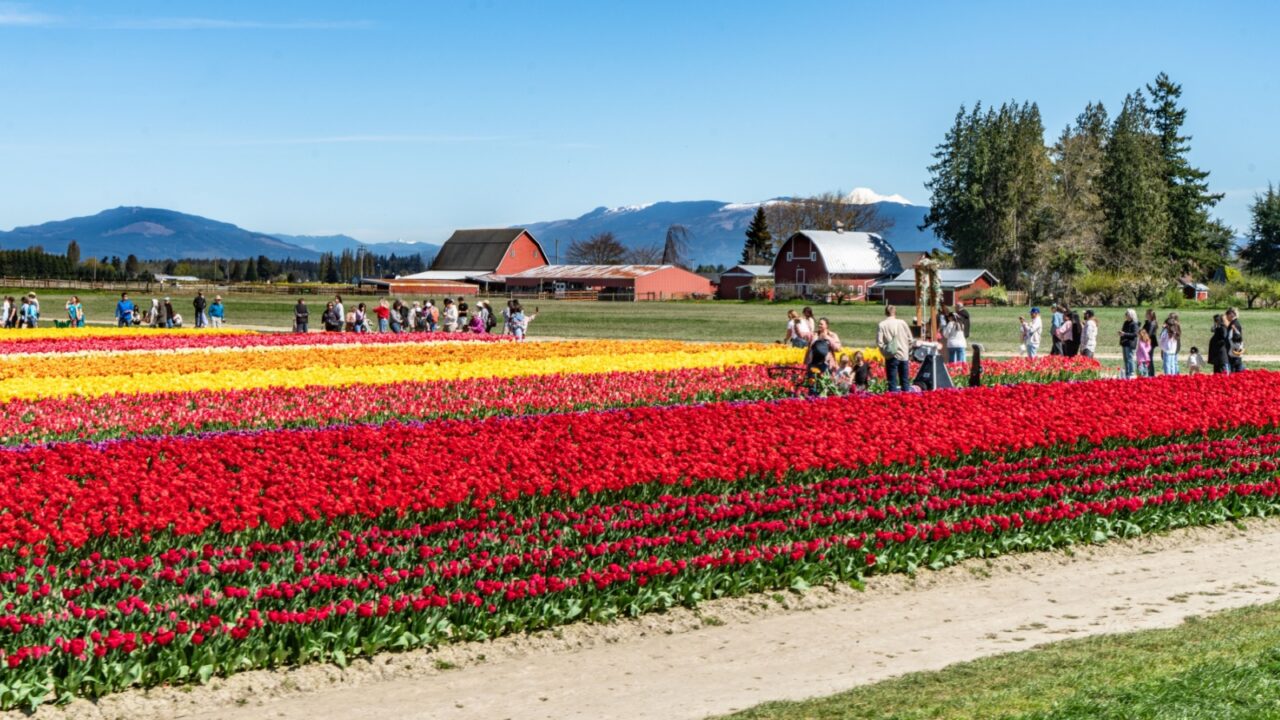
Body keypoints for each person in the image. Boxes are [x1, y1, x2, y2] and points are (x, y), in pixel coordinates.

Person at [877, 304, 913, 392]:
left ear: (885, 313)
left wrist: (885, 352)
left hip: (891, 355)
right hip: (904, 354)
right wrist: (907, 349)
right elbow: (910, 339)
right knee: (905, 380)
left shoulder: (882, 325)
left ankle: (893, 400)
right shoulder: (902, 322)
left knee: (892, 381)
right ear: (895, 312)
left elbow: (879, 342)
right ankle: (906, 400)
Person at [803, 318, 842, 382]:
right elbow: (808, 344)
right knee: (812, 382)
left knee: (824, 382)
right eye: (818, 324)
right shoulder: (814, 334)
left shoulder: (832, 335)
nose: (819, 325)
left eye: (821, 324)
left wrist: (827, 338)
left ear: (826, 325)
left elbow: (838, 348)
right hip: (813, 363)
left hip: (826, 364)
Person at [1119, 308, 1139, 378]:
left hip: (1130, 344)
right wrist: (1121, 334)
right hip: (1125, 343)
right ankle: (1127, 373)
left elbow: (1135, 334)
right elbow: (1124, 331)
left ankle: (1132, 373)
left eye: (1127, 314)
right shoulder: (1126, 322)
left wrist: (1124, 334)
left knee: (1130, 358)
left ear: (1131, 315)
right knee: (1125, 359)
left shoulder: (1134, 324)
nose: (1125, 315)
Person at [1225, 308, 1245, 373]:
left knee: (1235, 366)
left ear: (1231, 315)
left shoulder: (1234, 324)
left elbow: (1236, 337)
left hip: (1234, 349)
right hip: (1234, 349)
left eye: (1227, 315)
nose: (1226, 318)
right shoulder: (1234, 323)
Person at [1141, 309, 1159, 377]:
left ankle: (1151, 374)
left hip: (1150, 342)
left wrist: (1143, 335)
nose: (1145, 315)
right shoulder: (1148, 322)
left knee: (1149, 358)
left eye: (1147, 313)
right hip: (1146, 341)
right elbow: (1142, 330)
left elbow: (1149, 333)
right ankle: (1149, 373)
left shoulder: (1153, 323)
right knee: (1147, 358)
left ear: (1150, 315)